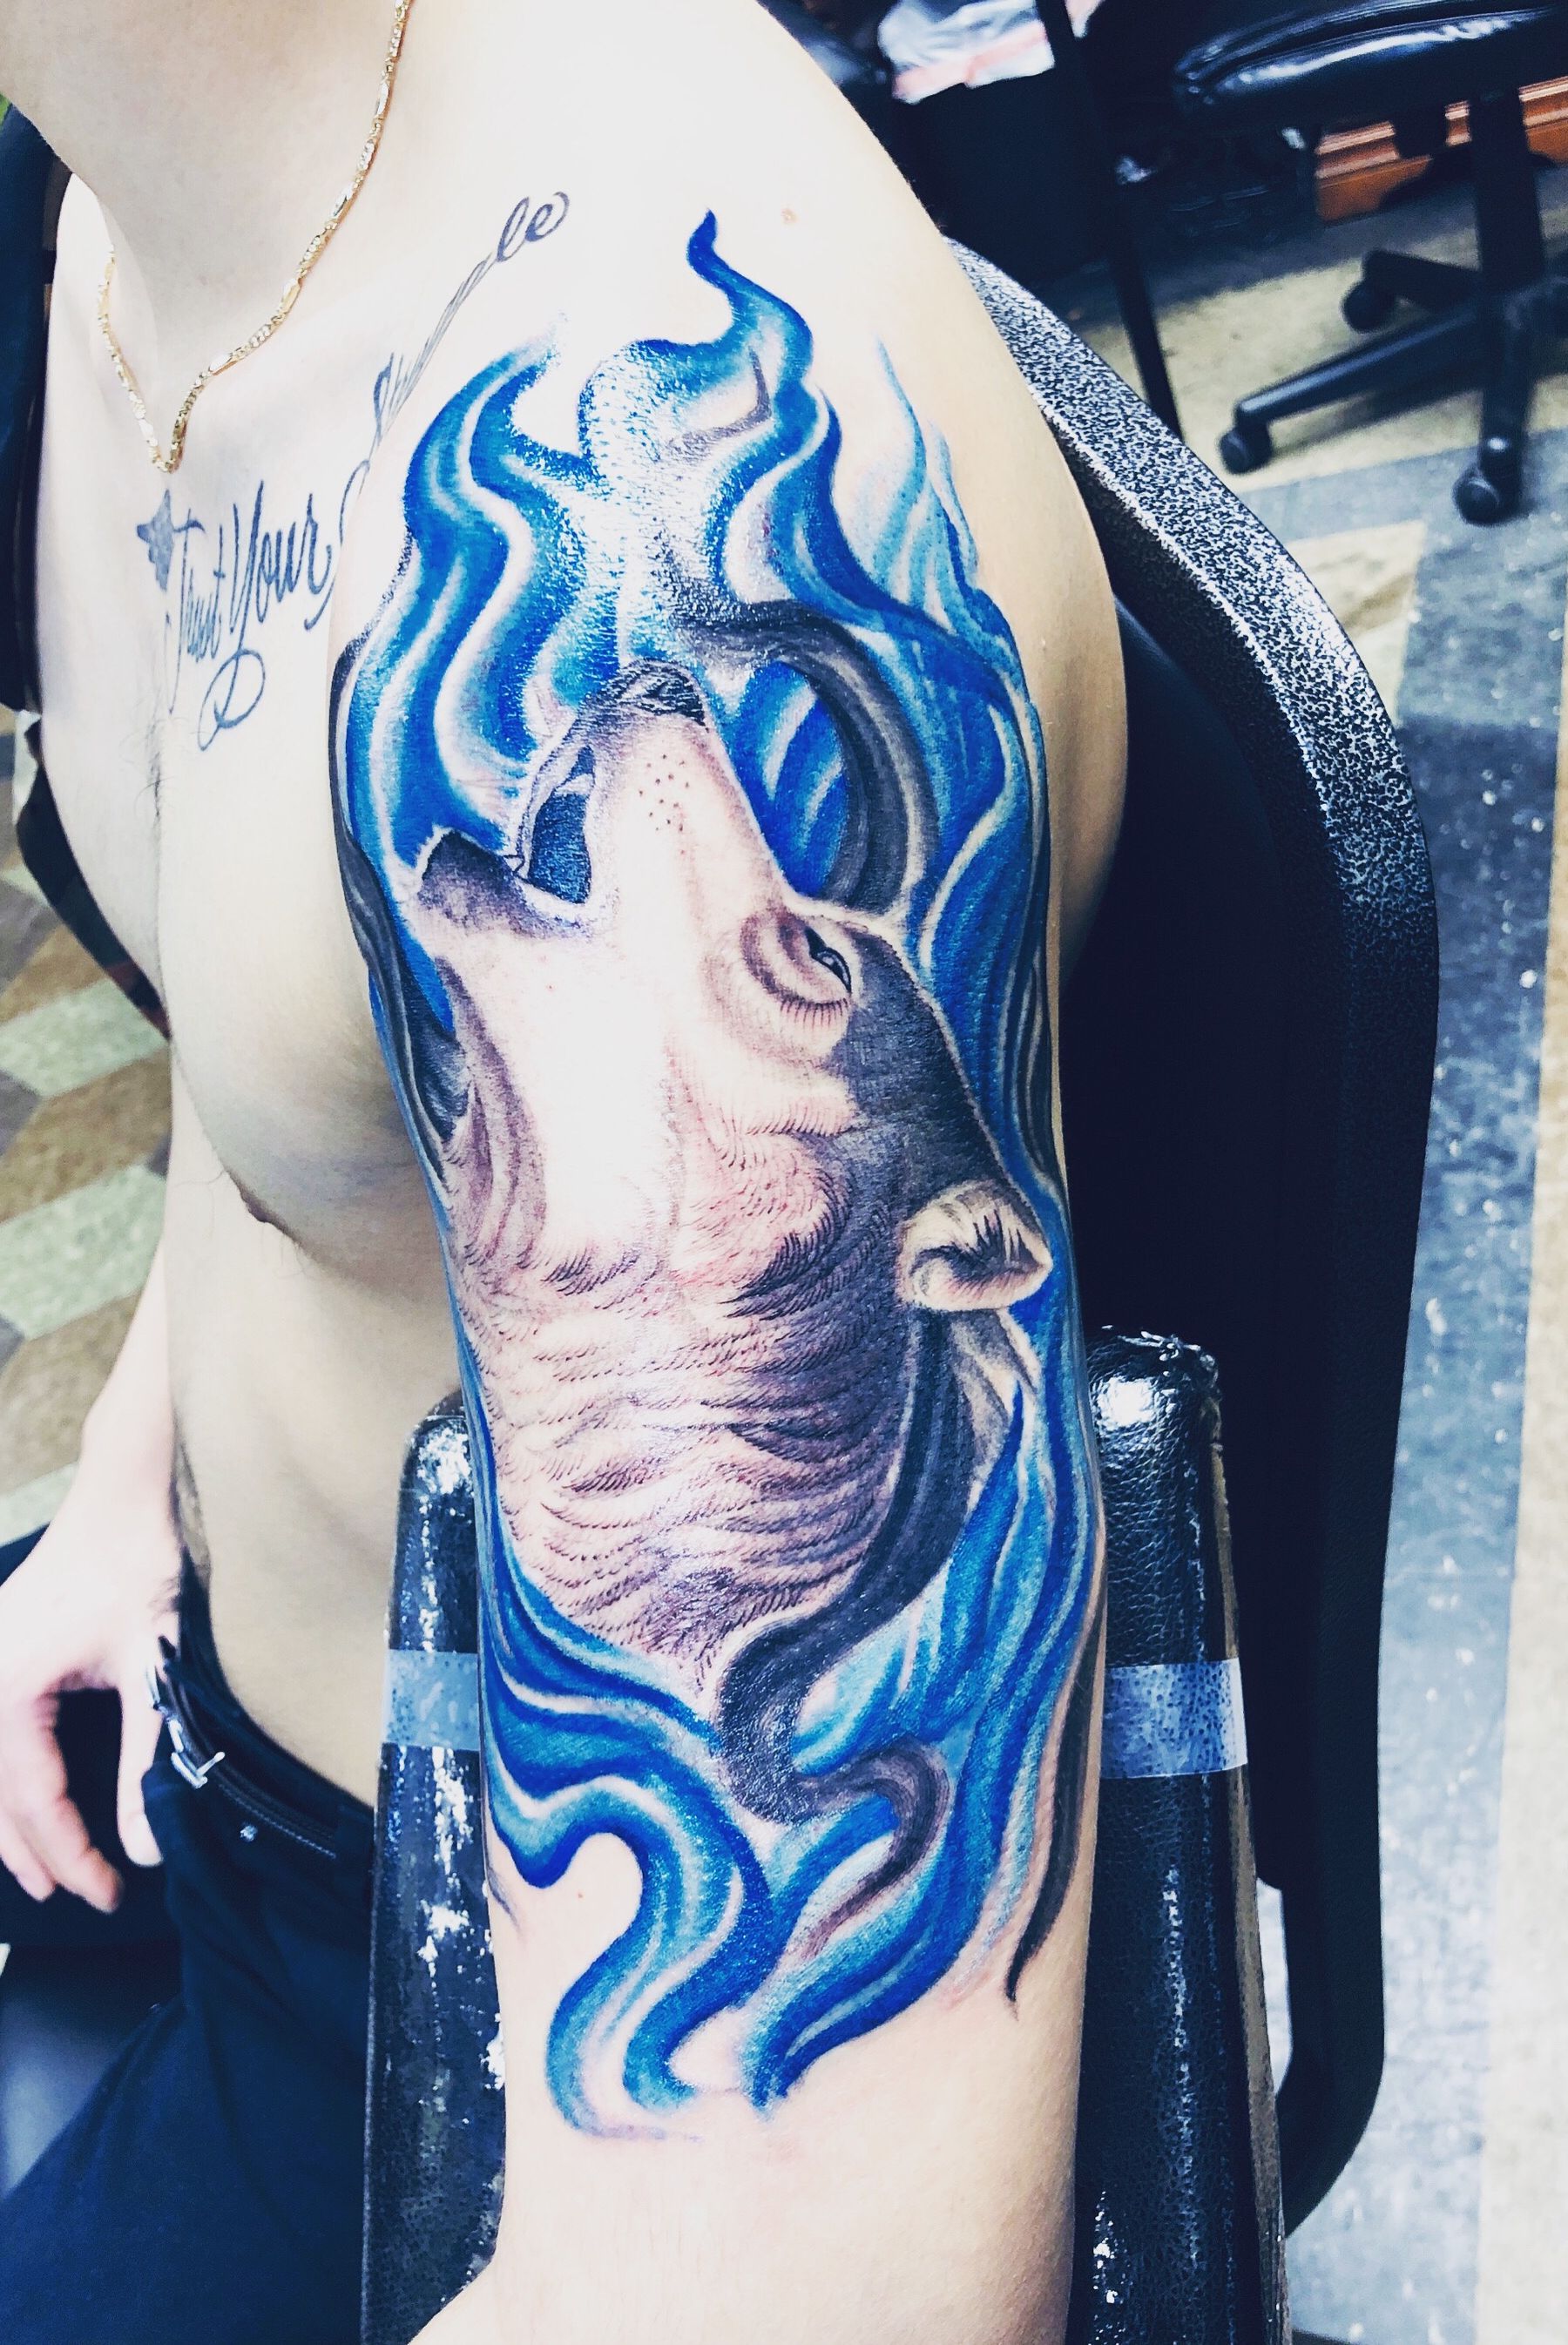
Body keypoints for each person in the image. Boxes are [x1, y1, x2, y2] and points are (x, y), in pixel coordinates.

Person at [0, 3, 1125, 2340]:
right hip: (209, 1744)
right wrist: (126, 1469)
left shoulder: (648, 484)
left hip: (458, 2025)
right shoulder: (140, 210)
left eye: (797, 955)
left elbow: (841, 2303)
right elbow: (313, 1059)